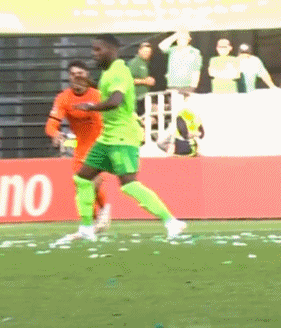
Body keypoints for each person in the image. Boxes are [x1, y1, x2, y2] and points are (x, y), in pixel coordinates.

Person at [61, 34, 187, 242]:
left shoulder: (119, 71)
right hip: (107, 137)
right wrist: (90, 83)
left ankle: (171, 222)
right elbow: (110, 92)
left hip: (122, 137)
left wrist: (92, 107)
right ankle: (86, 228)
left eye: (98, 50)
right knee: (82, 178)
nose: (94, 54)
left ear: (111, 50)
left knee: (129, 184)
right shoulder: (109, 72)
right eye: (93, 50)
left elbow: (115, 100)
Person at [45, 62, 110, 232]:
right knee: (81, 187)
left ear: (87, 76)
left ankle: (104, 210)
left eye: (80, 73)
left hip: (101, 143)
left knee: (92, 182)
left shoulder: (97, 95)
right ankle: (95, 220)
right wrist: (55, 133)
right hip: (81, 147)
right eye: (73, 74)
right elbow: (51, 124)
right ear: (69, 77)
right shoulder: (63, 98)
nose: (77, 77)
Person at [128, 42, 155, 115]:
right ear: (139, 51)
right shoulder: (134, 63)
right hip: (137, 99)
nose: (147, 53)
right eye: (145, 51)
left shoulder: (145, 62)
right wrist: (145, 81)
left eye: (149, 52)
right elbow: (128, 80)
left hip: (144, 97)